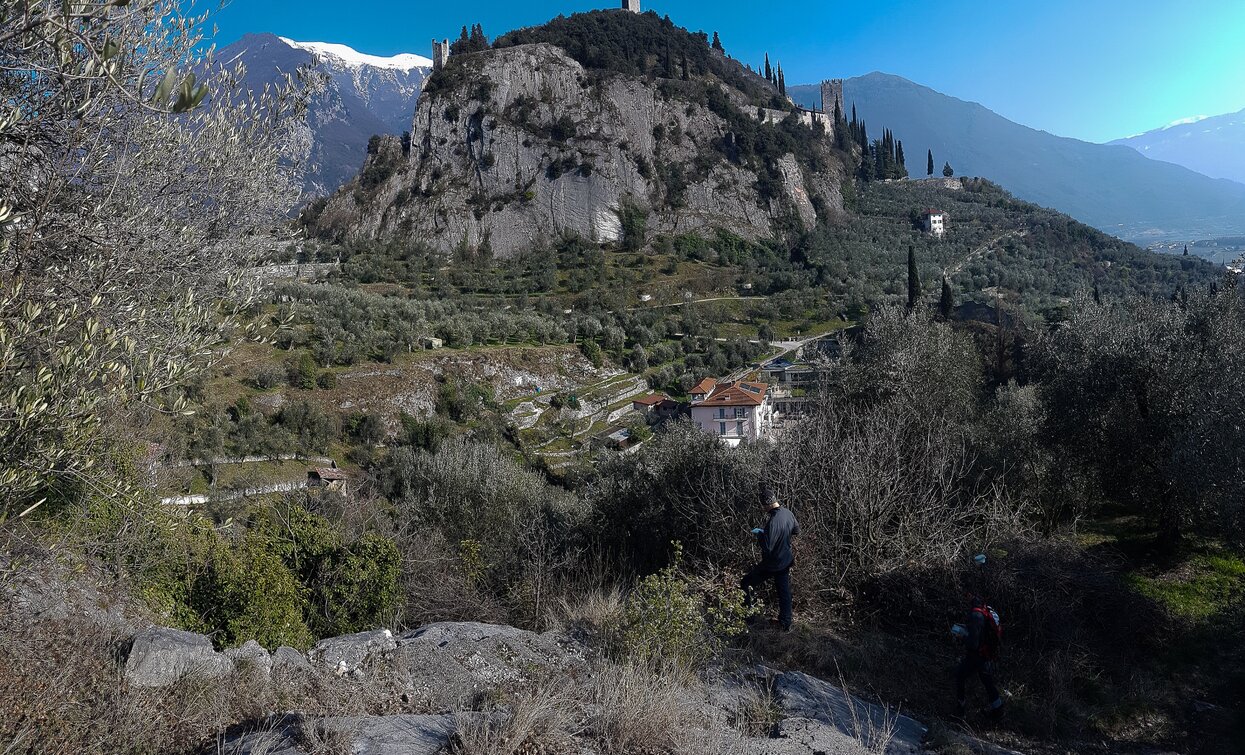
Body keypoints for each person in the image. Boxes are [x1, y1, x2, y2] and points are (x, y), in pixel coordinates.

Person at [741, 488, 800, 631]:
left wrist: (761, 534)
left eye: (762, 506)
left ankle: (749, 618)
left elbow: (767, 547)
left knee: (746, 583)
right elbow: (796, 531)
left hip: (772, 564)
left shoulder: (773, 521)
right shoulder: (788, 513)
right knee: (784, 592)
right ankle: (785, 623)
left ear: (766, 504)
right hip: (785, 561)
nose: (762, 508)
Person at [954, 592, 1004, 720]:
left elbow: (973, 644)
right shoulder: (985, 611)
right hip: (985, 654)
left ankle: (960, 712)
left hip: (976, 656)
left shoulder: (975, 615)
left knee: (959, 675)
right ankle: (998, 713)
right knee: (988, 683)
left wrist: (962, 636)